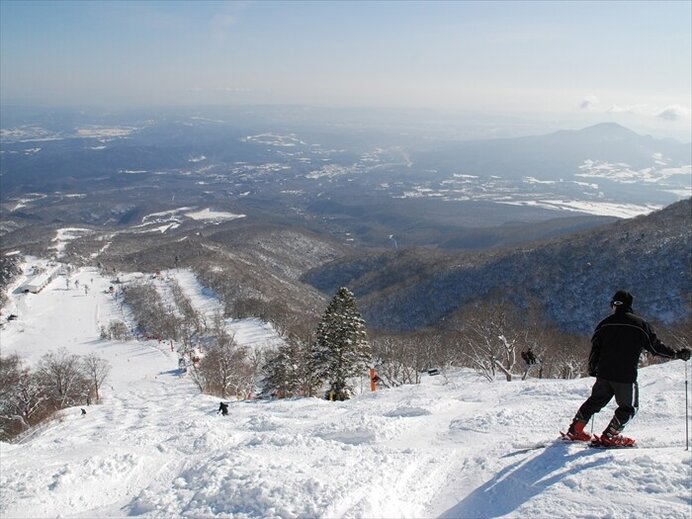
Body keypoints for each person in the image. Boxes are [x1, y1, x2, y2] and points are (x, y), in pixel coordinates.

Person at [564, 290, 691, 446]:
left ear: (613, 305)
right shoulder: (640, 325)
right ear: (630, 306)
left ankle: (575, 430)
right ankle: (610, 436)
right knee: (628, 408)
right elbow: (656, 348)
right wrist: (677, 354)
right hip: (625, 375)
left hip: (604, 372)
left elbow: (595, 349)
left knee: (595, 401)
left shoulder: (604, 324)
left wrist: (593, 368)